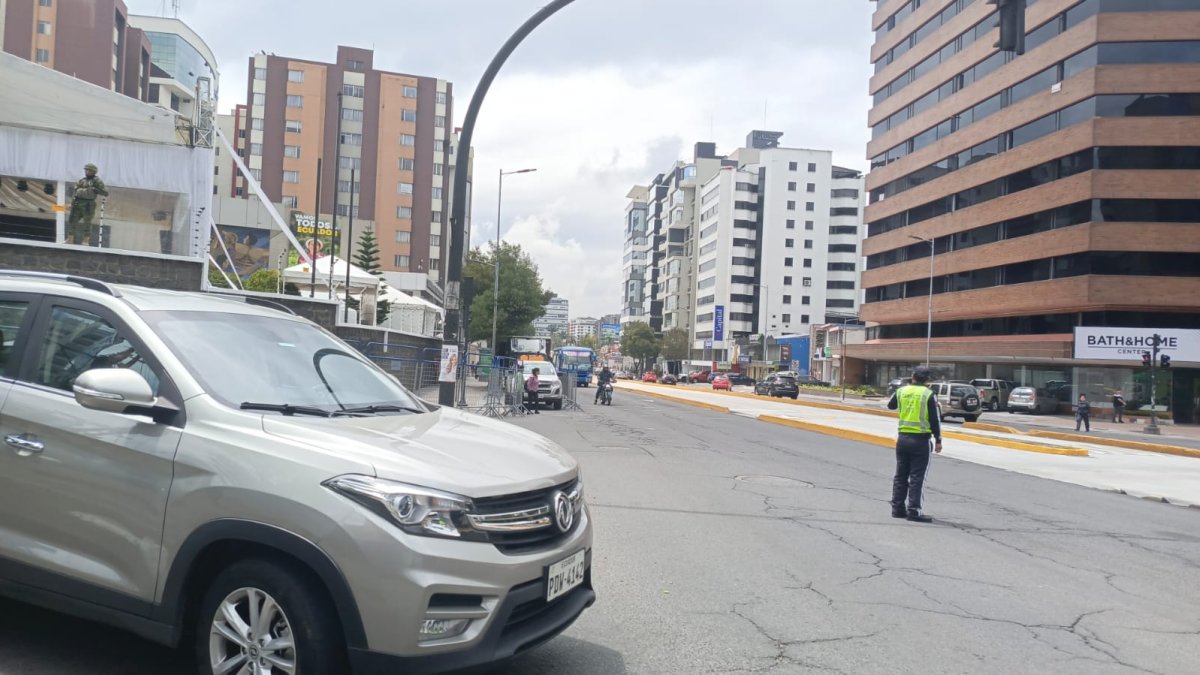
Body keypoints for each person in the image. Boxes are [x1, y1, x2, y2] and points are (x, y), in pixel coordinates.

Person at [886, 366, 942, 523]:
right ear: (927, 380)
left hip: (903, 439)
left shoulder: (901, 391)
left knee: (900, 475)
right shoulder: (929, 394)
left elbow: (890, 405)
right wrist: (938, 439)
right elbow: (935, 420)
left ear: (912, 376)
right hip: (920, 441)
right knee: (917, 477)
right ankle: (914, 511)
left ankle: (897, 508)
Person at [68, 163, 109, 246]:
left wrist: (95, 190)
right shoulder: (82, 180)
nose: (86, 172)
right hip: (77, 202)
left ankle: (86, 241)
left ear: (93, 171)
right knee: (72, 220)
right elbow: (75, 191)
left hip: (88, 204)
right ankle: (70, 239)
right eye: (86, 170)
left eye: (88, 170)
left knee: (87, 222)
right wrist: (72, 203)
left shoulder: (97, 181)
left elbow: (105, 192)